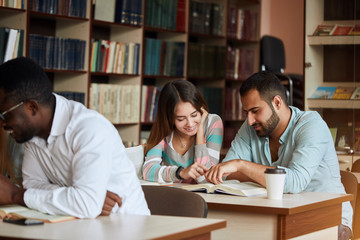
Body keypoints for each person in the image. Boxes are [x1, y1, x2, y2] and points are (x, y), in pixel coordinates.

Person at [205, 71, 353, 240]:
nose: (250, 120)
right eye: (247, 112)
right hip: (278, 215)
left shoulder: (312, 125)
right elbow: (226, 174)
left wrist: (242, 166)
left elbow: (295, 181)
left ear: (276, 102)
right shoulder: (252, 126)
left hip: (328, 220)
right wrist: (253, 173)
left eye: (255, 110)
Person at [0, 57, 150, 218]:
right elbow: (33, 186)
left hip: (128, 227)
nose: (2, 124)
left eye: (4, 115)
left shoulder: (88, 129)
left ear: (31, 107)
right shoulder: (32, 135)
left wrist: (16, 195)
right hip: (81, 225)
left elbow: (85, 205)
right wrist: (80, 197)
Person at [142, 79, 223, 183]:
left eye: (194, 115)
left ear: (201, 109)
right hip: (173, 196)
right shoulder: (165, 130)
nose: (190, 124)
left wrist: (200, 133)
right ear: (169, 118)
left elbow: (205, 178)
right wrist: (180, 173)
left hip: (204, 197)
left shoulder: (213, 122)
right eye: (181, 119)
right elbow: (148, 171)